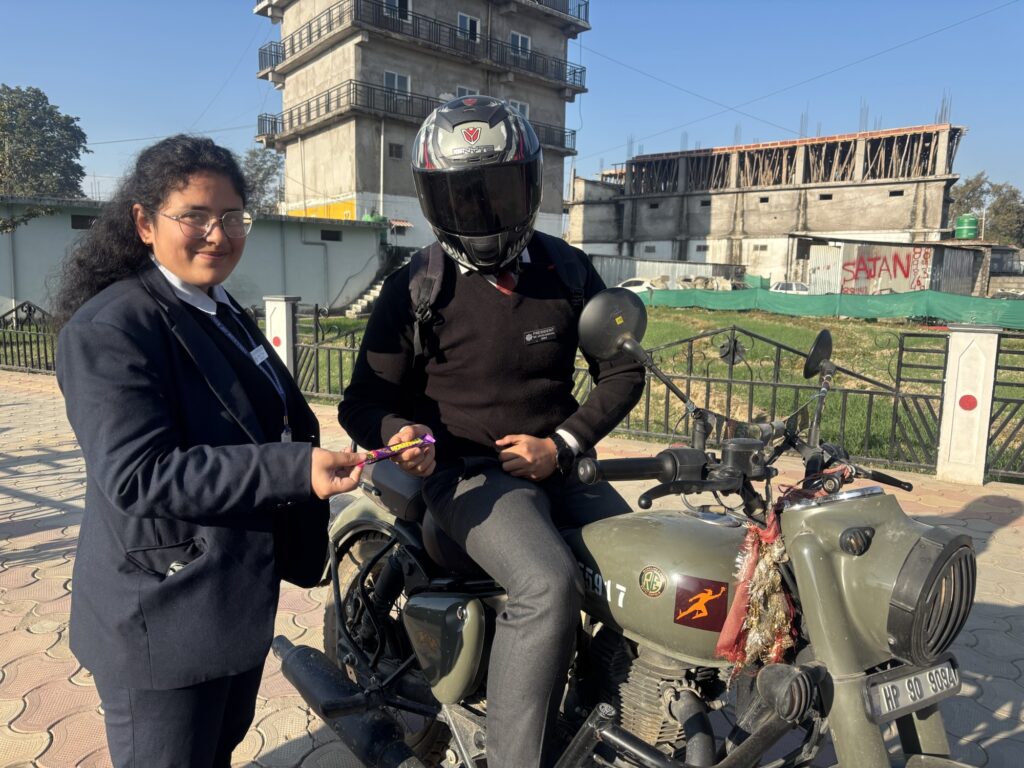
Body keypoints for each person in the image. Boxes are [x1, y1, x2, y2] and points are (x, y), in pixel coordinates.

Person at [338, 96, 645, 767]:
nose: (479, 213)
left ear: (529, 188)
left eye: (496, 193)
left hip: (558, 463)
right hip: (464, 475)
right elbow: (361, 401)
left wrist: (562, 444)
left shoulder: (567, 270)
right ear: (432, 200)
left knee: (649, 574)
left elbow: (623, 371)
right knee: (546, 585)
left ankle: (612, 712)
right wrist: (402, 432)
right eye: (460, 197)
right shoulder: (416, 287)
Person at [52, 134, 364, 768]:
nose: (217, 235)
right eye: (194, 216)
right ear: (145, 223)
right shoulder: (112, 328)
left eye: (232, 216)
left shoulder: (217, 307)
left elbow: (267, 418)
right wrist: (293, 470)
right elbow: (138, 475)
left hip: (228, 599)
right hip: (163, 615)